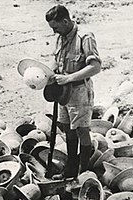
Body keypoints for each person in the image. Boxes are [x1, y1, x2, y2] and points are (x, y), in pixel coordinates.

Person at [45, 5, 101, 179]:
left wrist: (69, 78)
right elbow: (57, 61)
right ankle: (70, 169)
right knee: (68, 129)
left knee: (82, 131)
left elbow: (95, 67)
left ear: (65, 21)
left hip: (80, 92)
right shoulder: (61, 38)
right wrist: (49, 74)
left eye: (56, 27)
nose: (55, 31)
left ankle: (83, 172)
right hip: (64, 93)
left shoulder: (85, 37)